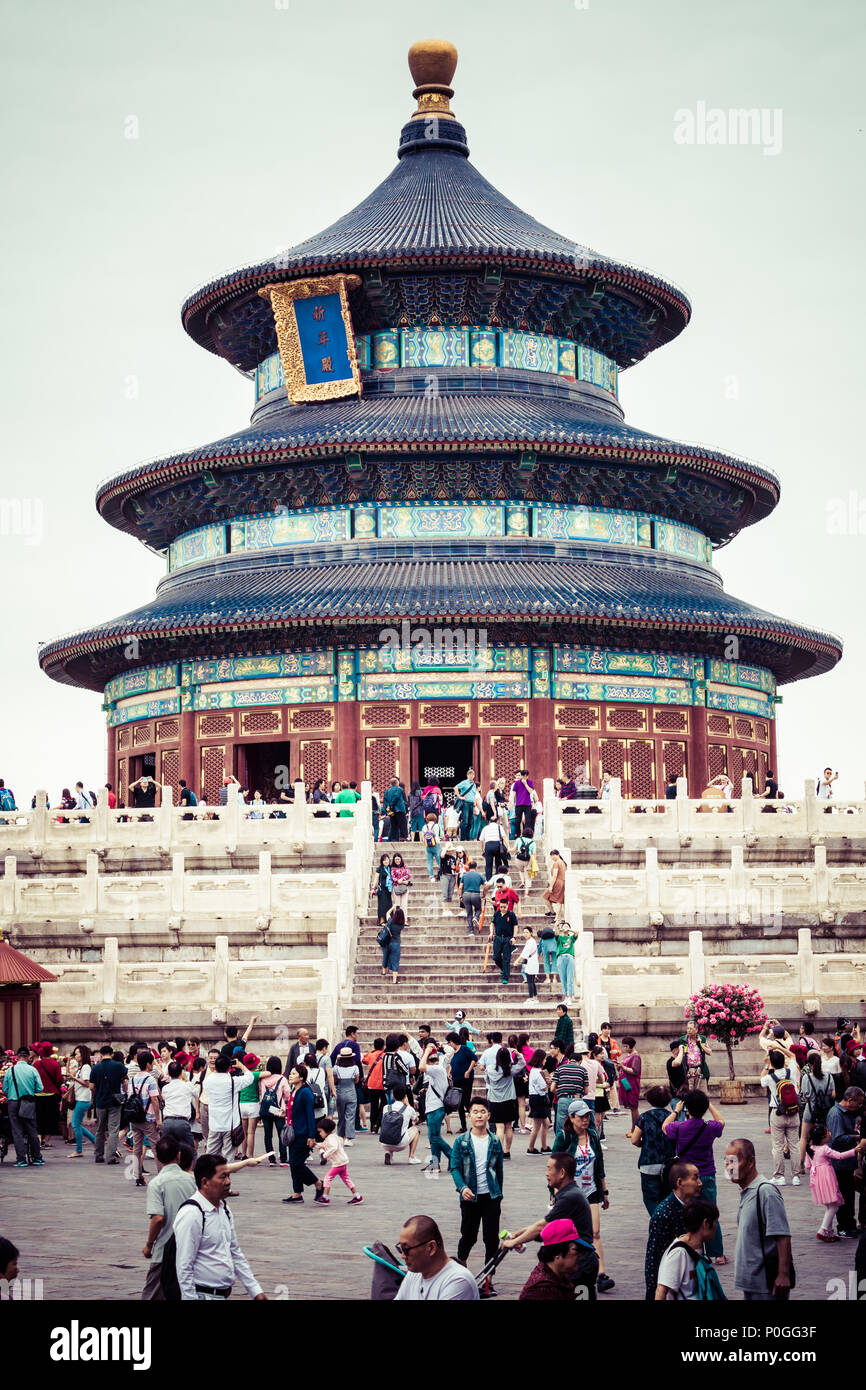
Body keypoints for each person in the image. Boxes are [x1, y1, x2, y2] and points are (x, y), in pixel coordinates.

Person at [502, 1152, 599, 1299]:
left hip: (579, 1261)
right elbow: (547, 1225)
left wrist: (514, 1242)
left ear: (561, 1173)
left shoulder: (570, 1197)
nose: (546, 1173)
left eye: (549, 1169)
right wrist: (517, 1235)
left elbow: (542, 1226)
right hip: (573, 1258)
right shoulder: (568, 1194)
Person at [172, 1153, 266, 1301]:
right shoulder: (192, 1214)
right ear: (205, 1182)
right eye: (222, 1177)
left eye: (229, 1176)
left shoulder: (224, 1209)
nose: (228, 1182)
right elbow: (184, 1265)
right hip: (202, 1294)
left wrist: (255, 1290)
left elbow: (234, 1252)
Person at [552, 1099, 614, 1291]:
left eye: (588, 1116)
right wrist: (556, 1193)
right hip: (570, 1193)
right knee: (569, 1234)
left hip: (591, 1190)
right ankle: (566, 1271)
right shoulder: (563, 1137)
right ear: (571, 1118)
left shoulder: (593, 1135)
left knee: (595, 1232)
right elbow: (554, 1165)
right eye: (581, 1117)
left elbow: (600, 1165)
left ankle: (600, 1274)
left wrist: (604, 1191)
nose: (586, 1120)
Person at [724, 1137, 793, 1300]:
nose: (729, 1168)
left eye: (734, 1162)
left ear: (750, 1162)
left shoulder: (766, 1192)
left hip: (765, 1285)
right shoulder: (747, 1191)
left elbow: (782, 1236)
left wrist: (783, 1274)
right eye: (727, 1162)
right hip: (751, 1284)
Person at [662, 1090, 727, 1263]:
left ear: (687, 1108)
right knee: (711, 1212)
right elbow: (721, 1122)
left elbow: (665, 1127)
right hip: (707, 1175)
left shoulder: (679, 1127)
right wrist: (710, 1105)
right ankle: (718, 1253)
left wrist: (676, 1111)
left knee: (688, 1213)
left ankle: (692, 1248)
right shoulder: (709, 1127)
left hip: (686, 1177)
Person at [449, 1097, 504, 1280]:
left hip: (491, 1196)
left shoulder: (495, 1141)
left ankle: (489, 1278)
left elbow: (499, 1171)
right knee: (468, 1236)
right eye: (475, 1112)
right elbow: (454, 1168)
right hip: (469, 1197)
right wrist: (462, 1187)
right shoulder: (461, 1141)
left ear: (488, 1115)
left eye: (482, 1111)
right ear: (469, 1115)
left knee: (491, 1239)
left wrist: (499, 1195)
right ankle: (461, 1265)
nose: (479, 1115)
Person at [141, 1137, 197, 1298]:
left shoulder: (157, 1183)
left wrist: (149, 1245)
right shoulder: (193, 1180)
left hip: (164, 1250)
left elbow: (158, 1218)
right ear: (178, 1156)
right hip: (190, 1248)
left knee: (153, 1294)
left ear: (157, 1157)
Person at [644, 1161, 703, 1299]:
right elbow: (653, 1259)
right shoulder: (663, 1214)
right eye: (695, 1178)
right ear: (679, 1182)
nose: (700, 1183)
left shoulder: (694, 1207)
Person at [393, 1215, 479, 1300]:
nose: (403, 1256)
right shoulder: (414, 1273)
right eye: (400, 1248)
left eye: (406, 1249)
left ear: (431, 1248)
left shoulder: (458, 1280)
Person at [655, 1199, 725, 1301]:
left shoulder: (699, 1248)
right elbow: (661, 1291)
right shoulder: (678, 1253)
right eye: (715, 1222)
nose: (716, 1226)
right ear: (705, 1223)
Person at [518, 1218, 591, 1301]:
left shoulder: (560, 1275)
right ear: (557, 1253)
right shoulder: (543, 1288)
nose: (579, 1255)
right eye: (576, 1250)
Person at [826, 1086, 866, 1238]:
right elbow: (836, 1139)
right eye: (858, 1103)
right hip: (839, 1163)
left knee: (849, 1195)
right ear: (849, 1101)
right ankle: (843, 1226)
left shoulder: (848, 1113)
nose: (859, 1107)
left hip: (846, 1162)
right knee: (843, 1196)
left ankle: (850, 1224)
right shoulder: (836, 1114)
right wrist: (856, 1138)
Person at [282, 1064, 326, 1203]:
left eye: (294, 1074)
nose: (290, 1075)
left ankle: (318, 1183)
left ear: (301, 1077)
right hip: (292, 1132)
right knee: (293, 1163)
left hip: (303, 1133)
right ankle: (297, 1193)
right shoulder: (294, 1090)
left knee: (296, 1163)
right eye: (290, 1073)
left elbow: (309, 1115)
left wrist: (311, 1136)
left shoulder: (305, 1092)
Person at [630, 1084, 676, 1215]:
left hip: (649, 1161)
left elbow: (634, 1140)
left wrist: (643, 1144)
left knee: (650, 1198)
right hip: (669, 1163)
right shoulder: (672, 1117)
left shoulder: (644, 1117)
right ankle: (666, 1220)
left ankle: (658, 1220)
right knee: (667, 1197)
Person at [760, 1048, 804, 1184]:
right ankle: (796, 1176)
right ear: (784, 1061)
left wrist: (767, 1065)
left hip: (777, 1112)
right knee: (794, 1145)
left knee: (778, 1146)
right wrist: (778, 1048)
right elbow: (792, 1055)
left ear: (772, 1063)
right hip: (793, 1111)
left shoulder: (769, 1078)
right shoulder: (791, 1071)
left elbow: (761, 1080)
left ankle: (779, 1176)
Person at [2, 1045, 44, 1168]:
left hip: (13, 1103)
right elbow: (40, 1088)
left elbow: (5, 1088)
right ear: (28, 1057)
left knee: (17, 1131)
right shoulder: (33, 1070)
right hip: (28, 1103)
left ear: (16, 1057)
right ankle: (37, 1158)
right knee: (32, 1130)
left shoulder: (10, 1071)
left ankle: (21, 1159)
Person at [204, 1055, 250, 1163]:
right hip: (230, 1126)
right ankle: (225, 1177)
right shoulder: (233, 1081)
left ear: (215, 1067)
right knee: (227, 1158)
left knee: (210, 1156)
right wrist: (241, 1066)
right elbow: (250, 1078)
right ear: (229, 1067)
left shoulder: (208, 1080)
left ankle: (211, 1177)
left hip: (214, 1124)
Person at [482, 1044, 525, 1158]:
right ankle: (507, 1150)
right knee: (508, 1127)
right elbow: (522, 1064)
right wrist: (518, 1054)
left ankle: (499, 1151)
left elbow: (487, 1080)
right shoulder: (510, 1070)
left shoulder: (490, 1068)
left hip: (495, 1100)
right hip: (509, 1100)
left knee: (499, 1127)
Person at [804, 1121, 845, 1241]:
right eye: (827, 1133)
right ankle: (822, 1230)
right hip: (827, 1177)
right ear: (822, 1138)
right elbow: (840, 1156)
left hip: (816, 1179)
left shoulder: (810, 1149)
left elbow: (807, 1165)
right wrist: (855, 1150)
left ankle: (829, 1232)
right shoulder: (824, 1149)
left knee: (829, 1206)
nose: (829, 1134)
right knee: (834, 1206)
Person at [90, 1043, 127, 1165]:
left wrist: (98, 1092)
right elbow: (125, 1081)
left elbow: (91, 1087)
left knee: (100, 1129)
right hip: (115, 1101)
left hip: (100, 1102)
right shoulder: (119, 1066)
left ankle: (98, 1155)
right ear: (112, 1054)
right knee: (113, 1130)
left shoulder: (95, 1068)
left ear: (100, 1055)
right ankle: (110, 1156)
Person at [129, 1050, 162, 1186]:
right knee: (157, 1148)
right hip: (148, 1119)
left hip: (135, 1119)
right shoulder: (150, 1080)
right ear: (148, 1064)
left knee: (137, 1148)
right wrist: (158, 1119)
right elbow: (154, 1100)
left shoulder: (132, 1079)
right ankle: (161, 1176)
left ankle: (138, 1176)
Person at [418, 1043, 452, 1175]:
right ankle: (435, 1163)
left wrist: (426, 1051)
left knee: (435, 1137)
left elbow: (421, 1067)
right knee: (433, 1137)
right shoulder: (439, 1070)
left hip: (435, 1108)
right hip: (434, 1108)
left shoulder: (437, 1069)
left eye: (431, 1060)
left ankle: (453, 1156)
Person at [798, 1049, 836, 1166]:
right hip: (825, 1110)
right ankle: (825, 1162)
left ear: (809, 1065)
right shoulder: (829, 1077)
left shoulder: (806, 1078)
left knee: (804, 1137)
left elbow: (804, 1095)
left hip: (811, 1110)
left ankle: (801, 1164)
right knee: (825, 1137)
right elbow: (833, 1094)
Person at [314, 1116, 363, 1205]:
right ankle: (357, 1196)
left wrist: (325, 1155)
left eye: (320, 1132)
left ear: (326, 1130)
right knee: (346, 1179)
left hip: (338, 1163)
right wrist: (315, 1145)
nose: (320, 1134)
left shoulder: (331, 1138)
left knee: (327, 1178)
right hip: (342, 1162)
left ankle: (325, 1197)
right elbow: (324, 1145)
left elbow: (333, 1147)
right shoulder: (331, 1137)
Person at [257, 1056, 291, 1166]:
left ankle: (271, 1159)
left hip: (265, 1109)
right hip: (278, 1110)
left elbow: (261, 1094)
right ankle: (283, 1158)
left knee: (268, 1135)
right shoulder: (282, 1079)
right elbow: (287, 1095)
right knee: (281, 1133)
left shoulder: (263, 1079)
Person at [160, 1060, 198, 1151]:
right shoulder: (187, 1085)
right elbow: (197, 1093)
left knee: (167, 1151)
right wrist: (186, 1079)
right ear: (181, 1072)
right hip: (182, 1122)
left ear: (168, 1073)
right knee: (190, 1151)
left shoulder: (165, 1088)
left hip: (167, 1122)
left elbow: (164, 1099)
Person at [379, 1084, 421, 1164]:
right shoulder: (409, 1109)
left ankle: (389, 1153)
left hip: (384, 1143)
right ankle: (411, 1157)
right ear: (405, 1096)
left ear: (393, 1096)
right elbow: (416, 1120)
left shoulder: (386, 1108)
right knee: (415, 1130)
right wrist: (408, 1104)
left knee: (390, 1129)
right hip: (400, 1144)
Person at [65, 1045, 96, 1157]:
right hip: (81, 1098)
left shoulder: (86, 1067)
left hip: (83, 1099)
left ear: (83, 1054)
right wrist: (68, 1061)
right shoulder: (82, 1067)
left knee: (75, 1124)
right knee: (76, 1124)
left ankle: (79, 1150)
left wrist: (74, 1078)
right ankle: (95, 1141)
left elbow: (86, 1083)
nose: (76, 1056)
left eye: (78, 1053)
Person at [671, 1019, 711, 1092]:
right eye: (687, 1028)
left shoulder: (702, 1039)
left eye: (691, 1029)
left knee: (701, 1096)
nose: (688, 1030)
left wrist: (701, 1045)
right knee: (688, 1096)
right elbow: (676, 1053)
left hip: (700, 1071)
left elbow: (709, 1052)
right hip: (688, 1072)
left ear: (696, 1030)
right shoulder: (682, 1040)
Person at [526, 1048, 552, 1154]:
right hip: (539, 1099)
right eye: (544, 1058)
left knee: (545, 1124)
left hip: (536, 1098)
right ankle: (531, 1148)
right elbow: (543, 1087)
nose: (545, 1060)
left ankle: (544, 1146)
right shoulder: (538, 1072)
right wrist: (549, 1083)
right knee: (537, 1126)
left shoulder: (533, 1070)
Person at [333, 1047, 360, 1144]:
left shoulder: (336, 1068)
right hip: (351, 1092)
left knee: (341, 1116)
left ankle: (340, 1135)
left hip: (340, 1093)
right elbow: (356, 1081)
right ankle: (348, 1138)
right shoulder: (355, 1068)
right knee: (350, 1116)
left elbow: (335, 1081)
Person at [490, 898, 518, 984]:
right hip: (498, 938)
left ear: (507, 906)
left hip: (507, 938)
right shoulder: (496, 914)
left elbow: (515, 926)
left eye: (504, 907)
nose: (503, 908)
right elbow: (492, 923)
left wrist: (514, 937)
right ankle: (503, 968)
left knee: (506, 958)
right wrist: (491, 933)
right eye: (501, 907)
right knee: (496, 957)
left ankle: (505, 977)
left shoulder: (511, 914)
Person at [362, 1038, 386, 1134]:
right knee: (384, 1103)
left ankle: (373, 1127)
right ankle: (378, 1122)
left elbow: (364, 1059)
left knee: (374, 1105)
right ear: (383, 1046)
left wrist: (372, 1051)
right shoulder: (385, 1056)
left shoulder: (371, 1055)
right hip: (382, 1084)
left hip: (372, 1084)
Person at [616, 1037, 642, 1128]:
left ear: (631, 1046)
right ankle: (634, 1128)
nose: (625, 1048)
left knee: (634, 1107)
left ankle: (635, 1129)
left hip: (632, 1084)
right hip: (626, 1083)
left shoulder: (636, 1056)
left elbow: (635, 1071)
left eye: (626, 1046)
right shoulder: (628, 1055)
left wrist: (623, 1067)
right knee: (632, 1107)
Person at [381, 905, 406, 984]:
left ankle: (384, 971)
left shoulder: (390, 921)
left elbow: (387, 913)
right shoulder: (401, 925)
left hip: (387, 942)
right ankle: (394, 980)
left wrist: (393, 907)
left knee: (385, 956)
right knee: (395, 961)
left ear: (395, 915)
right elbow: (400, 919)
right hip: (396, 944)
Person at [554, 920, 577, 1004]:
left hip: (570, 957)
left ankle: (570, 997)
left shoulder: (571, 938)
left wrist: (569, 930)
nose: (565, 927)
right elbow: (556, 934)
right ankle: (566, 997)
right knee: (563, 979)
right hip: (560, 957)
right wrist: (558, 927)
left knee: (570, 978)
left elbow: (576, 933)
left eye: (567, 926)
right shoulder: (560, 938)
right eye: (564, 926)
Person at [460, 860, 485, 934]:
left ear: (468, 867)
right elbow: (486, 884)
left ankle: (471, 932)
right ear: (476, 867)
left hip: (466, 894)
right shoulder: (479, 875)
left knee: (469, 913)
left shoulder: (464, 875)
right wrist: (484, 893)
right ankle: (476, 917)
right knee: (478, 909)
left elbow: (461, 886)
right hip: (475, 894)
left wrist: (460, 896)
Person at [542, 849, 566, 925]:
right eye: (551, 855)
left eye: (554, 855)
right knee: (559, 901)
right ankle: (554, 914)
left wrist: (551, 886)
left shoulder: (557, 863)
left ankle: (556, 918)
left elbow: (555, 875)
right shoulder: (563, 862)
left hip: (557, 882)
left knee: (546, 897)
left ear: (558, 854)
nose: (552, 857)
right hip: (562, 882)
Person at [516, 927, 540, 1002]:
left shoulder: (530, 942)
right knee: (532, 980)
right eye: (524, 932)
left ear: (531, 933)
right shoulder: (531, 941)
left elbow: (524, 953)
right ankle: (535, 996)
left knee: (530, 980)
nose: (525, 934)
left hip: (531, 963)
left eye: (527, 932)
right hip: (532, 962)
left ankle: (531, 997)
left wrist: (517, 961)